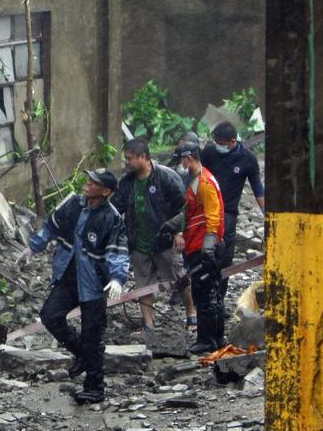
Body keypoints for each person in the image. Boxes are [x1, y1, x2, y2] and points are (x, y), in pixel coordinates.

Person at [21, 169, 130, 404]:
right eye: (89, 180)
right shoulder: (72, 204)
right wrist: (33, 247)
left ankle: (94, 387)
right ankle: (81, 353)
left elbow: (118, 252)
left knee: (93, 334)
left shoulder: (111, 218)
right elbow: (51, 226)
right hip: (68, 275)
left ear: (106, 191)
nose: (88, 184)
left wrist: (117, 278)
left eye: (94, 182)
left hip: (93, 284)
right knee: (50, 316)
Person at [112, 139, 196, 330]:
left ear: (143, 157)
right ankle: (148, 324)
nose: (127, 162)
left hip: (165, 240)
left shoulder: (166, 177)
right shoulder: (127, 183)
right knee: (144, 284)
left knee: (179, 278)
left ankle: (191, 312)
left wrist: (179, 232)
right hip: (138, 242)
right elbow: (116, 210)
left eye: (130, 158)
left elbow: (184, 208)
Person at [169, 142, 225, 355]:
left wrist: (208, 248)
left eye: (181, 161)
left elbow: (213, 216)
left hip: (204, 247)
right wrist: (173, 225)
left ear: (188, 158)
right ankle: (216, 338)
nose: (180, 165)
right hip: (198, 245)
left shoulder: (204, 183)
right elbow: (190, 212)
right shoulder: (197, 181)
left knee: (205, 295)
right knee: (209, 293)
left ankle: (208, 340)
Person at [200, 122, 265, 304]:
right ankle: (202, 298)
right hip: (205, 210)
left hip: (227, 213)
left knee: (224, 257)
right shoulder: (209, 153)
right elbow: (198, 176)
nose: (217, 146)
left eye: (221, 143)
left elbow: (257, 189)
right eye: (216, 142)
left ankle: (219, 299)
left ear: (232, 141)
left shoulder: (248, 160)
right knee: (202, 254)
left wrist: (266, 214)